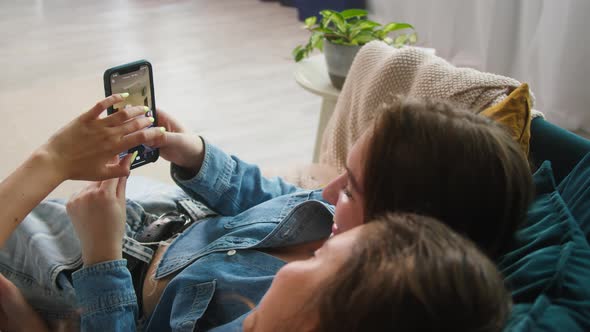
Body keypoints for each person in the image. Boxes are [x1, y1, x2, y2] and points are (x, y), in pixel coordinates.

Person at [0, 97, 533, 331]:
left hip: (104, 274)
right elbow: (271, 194)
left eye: (353, 191)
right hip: (163, 220)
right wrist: (197, 155)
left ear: (403, 233)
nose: (326, 189)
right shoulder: (327, 224)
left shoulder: (297, 306)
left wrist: (100, 257)